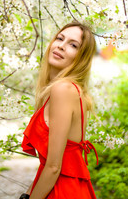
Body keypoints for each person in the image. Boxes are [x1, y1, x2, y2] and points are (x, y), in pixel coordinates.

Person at [19, 21, 99, 199]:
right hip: (63, 188)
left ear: (81, 57)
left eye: (73, 45)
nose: (61, 46)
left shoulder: (63, 89)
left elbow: (54, 167)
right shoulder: (68, 90)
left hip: (63, 191)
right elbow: (49, 163)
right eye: (60, 38)